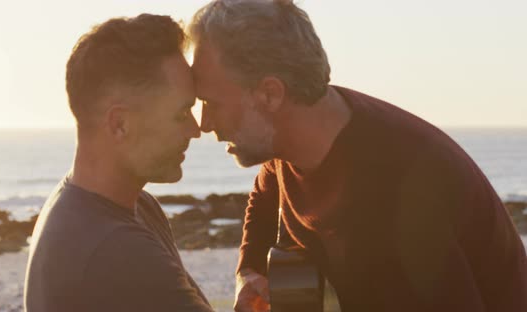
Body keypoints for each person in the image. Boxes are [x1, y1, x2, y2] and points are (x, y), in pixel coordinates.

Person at [188, 0, 527, 311]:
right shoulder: (300, 140)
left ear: (270, 94)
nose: (202, 123)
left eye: (211, 103)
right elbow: (266, 191)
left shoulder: (395, 198)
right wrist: (249, 270)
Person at [24, 14, 213, 312]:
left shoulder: (124, 207)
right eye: (181, 114)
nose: (196, 129)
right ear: (120, 124)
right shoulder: (114, 249)